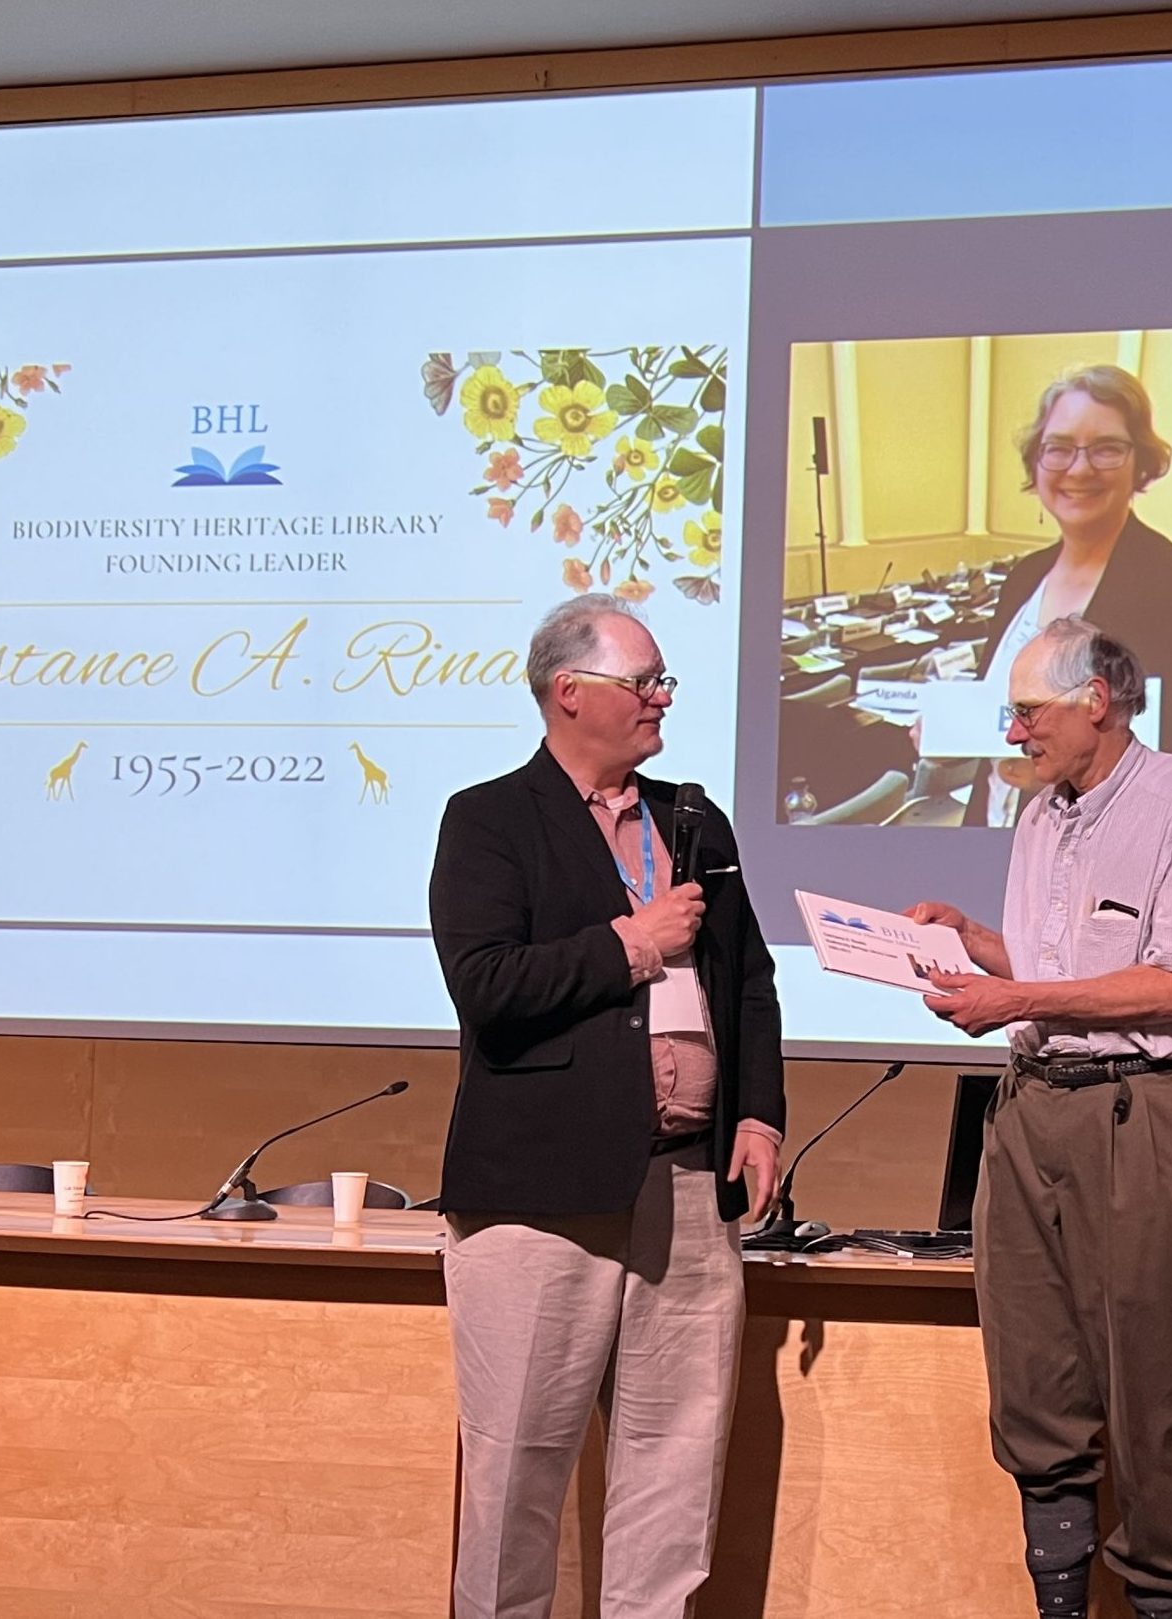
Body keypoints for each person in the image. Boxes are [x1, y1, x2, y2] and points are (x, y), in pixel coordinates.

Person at [428, 593, 785, 1619]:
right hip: (539, 1193)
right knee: (515, 1468)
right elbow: (487, 984)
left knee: (676, 1462)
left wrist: (757, 1115)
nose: (662, 697)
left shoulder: (692, 818)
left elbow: (748, 982)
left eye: (664, 679)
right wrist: (634, 943)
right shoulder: (490, 818)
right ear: (569, 692)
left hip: (686, 1184)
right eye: (644, 682)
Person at [905, 615, 1172, 1619]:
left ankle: (1159, 1599)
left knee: (1148, 1387)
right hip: (1029, 1110)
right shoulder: (1038, 817)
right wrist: (976, 941)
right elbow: (1060, 969)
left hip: (1139, 1114)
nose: (1014, 733)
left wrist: (1014, 998)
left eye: (1027, 712)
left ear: (1096, 700)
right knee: (1033, 1379)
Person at [965, 364, 1172, 824]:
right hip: (995, 826)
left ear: (1139, 462)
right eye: (1059, 448)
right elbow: (996, 710)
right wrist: (947, 735)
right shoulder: (1024, 577)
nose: (1079, 468)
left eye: (1106, 448)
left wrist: (1060, 779)